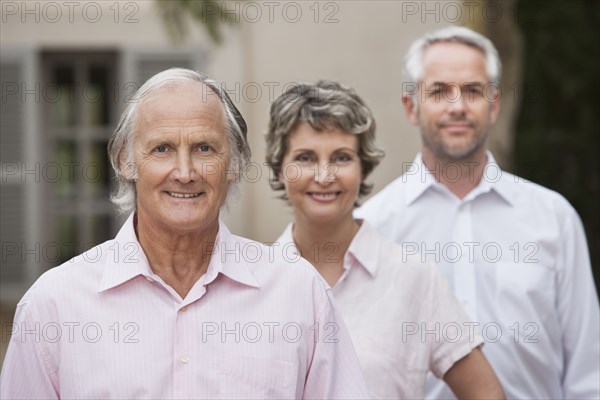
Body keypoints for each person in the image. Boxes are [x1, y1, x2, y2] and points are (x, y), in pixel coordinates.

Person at [0, 68, 371, 399]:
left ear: (235, 164)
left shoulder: (299, 294)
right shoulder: (53, 306)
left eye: (204, 148)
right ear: (125, 161)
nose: (184, 171)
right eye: (162, 149)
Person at [355, 26, 600, 398]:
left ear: (494, 104)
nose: (457, 106)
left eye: (472, 90)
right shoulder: (373, 226)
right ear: (411, 107)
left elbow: (588, 370)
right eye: (439, 91)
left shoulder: (554, 219)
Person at [265, 80, 505, 399]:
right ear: (280, 168)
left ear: (363, 168)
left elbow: (485, 393)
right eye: (305, 158)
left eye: (341, 158)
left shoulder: (412, 277)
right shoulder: (254, 284)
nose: (324, 176)